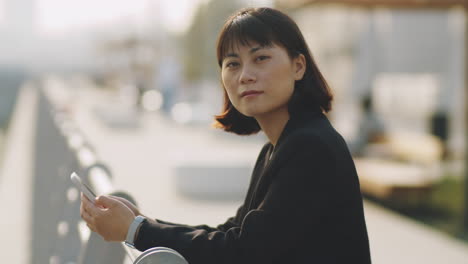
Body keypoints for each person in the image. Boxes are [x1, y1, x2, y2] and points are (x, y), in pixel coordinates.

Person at [80, 7, 372, 264]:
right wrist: (143, 223)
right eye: (232, 64)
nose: (245, 75)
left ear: (298, 66)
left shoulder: (310, 147)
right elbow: (233, 233)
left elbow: (244, 251)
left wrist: (135, 231)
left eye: (260, 58)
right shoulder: (280, 146)